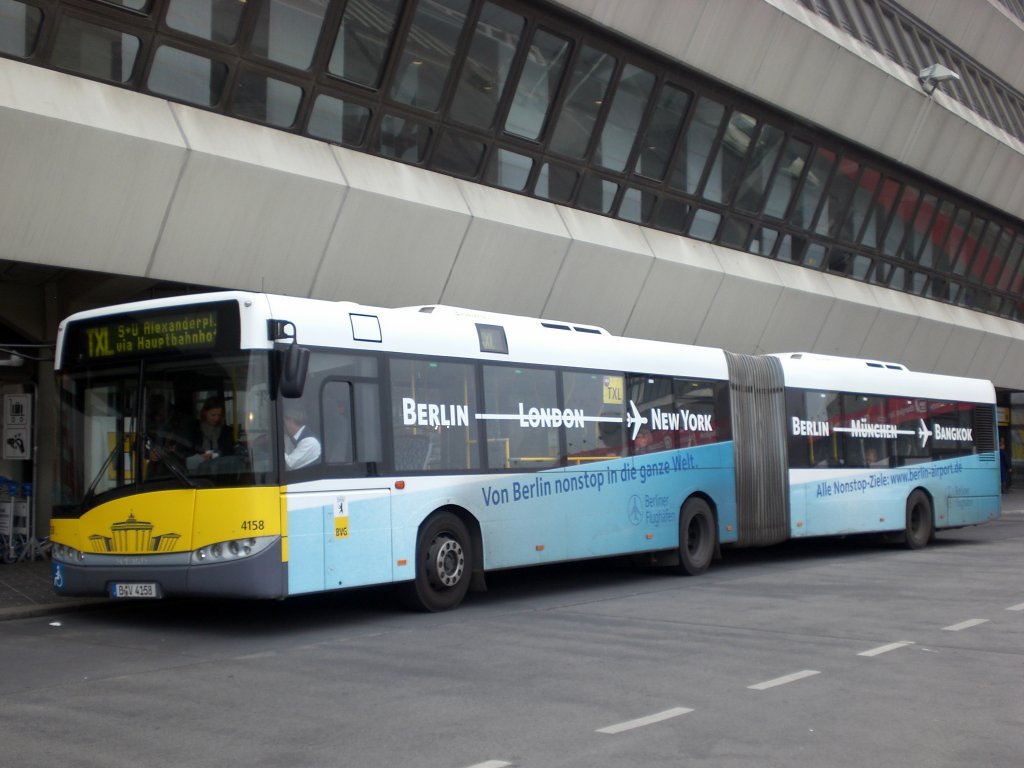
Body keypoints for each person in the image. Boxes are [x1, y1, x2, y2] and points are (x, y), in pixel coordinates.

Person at [187, 396, 234, 470]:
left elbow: (230, 452)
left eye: (219, 415)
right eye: (213, 415)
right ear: (205, 413)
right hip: (197, 473)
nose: (216, 418)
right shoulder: (193, 429)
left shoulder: (227, 431)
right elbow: (187, 451)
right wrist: (200, 457)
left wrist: (216, 454)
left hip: (222, 473)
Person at [283, 403, 321, 470]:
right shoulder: (294, 437)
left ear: (290, 421)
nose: (283, 425)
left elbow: (289, 464)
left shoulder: (309, 441)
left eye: (284, 422)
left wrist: (274, 447)